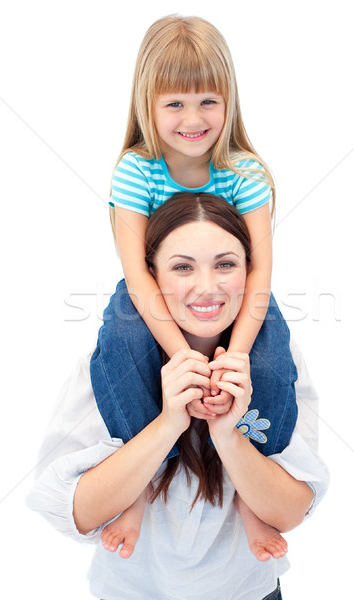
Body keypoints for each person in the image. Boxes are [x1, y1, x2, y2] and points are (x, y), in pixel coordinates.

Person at [27, 194, 329, 600]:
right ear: (151, 277)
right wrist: (169, 423)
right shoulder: (111, 366)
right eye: (183, 267)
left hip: (249, 591)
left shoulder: (276, 363)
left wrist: (228, 435)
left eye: (226, 264)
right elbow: (74, 512)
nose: (207, 287)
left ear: (250, 272)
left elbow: (289, 513)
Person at [90, 14, 299, 562]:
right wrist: (185, 358)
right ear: (148, 106)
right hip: (154, 299)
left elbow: (259, 272)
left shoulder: (245, 171)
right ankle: (140, 481)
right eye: (175, 104)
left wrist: (235, 354)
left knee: (273, 369)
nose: (193, 118)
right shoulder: (136, 171)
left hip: (238, 298)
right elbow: (138, 274)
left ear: (228, 100)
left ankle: (253, 489)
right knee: (122, 350)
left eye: (207, 101)